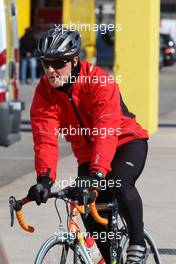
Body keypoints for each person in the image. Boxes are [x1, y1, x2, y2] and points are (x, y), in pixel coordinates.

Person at [27, 27, 149, 264]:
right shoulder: (44, 93)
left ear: (74, 60)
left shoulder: (99, 81)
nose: (50, 70)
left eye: (58, 63)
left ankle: (137, 242)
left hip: (126, 142)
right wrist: (44, 179)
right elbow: (45, 138)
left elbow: (106, 129)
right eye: (45, 64)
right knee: (87, 209)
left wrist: (98, 173)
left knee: (120, 182)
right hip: (88, 155)